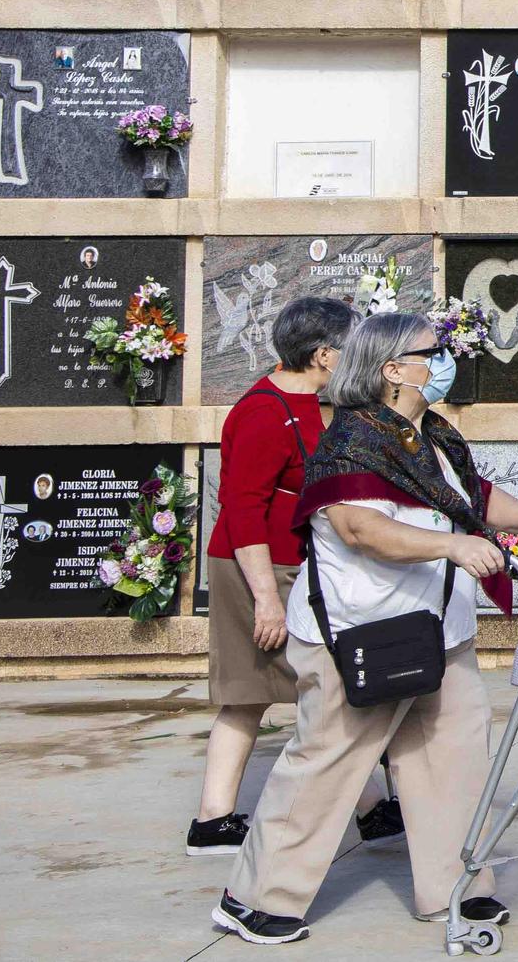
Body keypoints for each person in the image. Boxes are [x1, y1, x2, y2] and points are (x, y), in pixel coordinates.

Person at [214, 313, 518, 946]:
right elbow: (360, 529)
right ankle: (253, 899)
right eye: (434, 351)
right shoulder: (352, 442)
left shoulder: (432, 435)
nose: (447, 359)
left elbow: (469, 496)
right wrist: (450, 550)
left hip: (439, 634)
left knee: (455, 760)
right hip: (360, 633)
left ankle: (457, 888)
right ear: (394, 370)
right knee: (326, 765)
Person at [192, 297, 405, 858]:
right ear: (324, 355)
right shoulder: (263, 412)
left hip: (295, 565)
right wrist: (265, 599)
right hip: (256, 565)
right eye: (352, 346)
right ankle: (213, 821)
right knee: (251, 691)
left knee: (329, 688)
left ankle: (373, 807)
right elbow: (241, 510)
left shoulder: (315, 403)